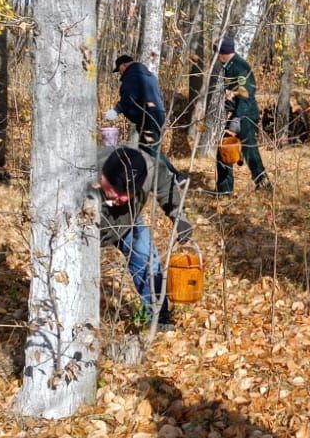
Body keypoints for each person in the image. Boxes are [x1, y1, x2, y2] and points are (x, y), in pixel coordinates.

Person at [111, 54, 193, 244]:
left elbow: (129, 97)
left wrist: (117, 110)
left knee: (150, 151)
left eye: (119, 69)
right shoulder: (147, 74)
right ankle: (173, 176)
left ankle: (176, 177)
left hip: (148, 116)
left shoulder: (133, 74)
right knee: (148, 149)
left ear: (123, 65)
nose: (120, 73)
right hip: (156, 114)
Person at [97, 145, 176, 330]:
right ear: (103, 177)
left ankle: (158, 318)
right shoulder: (83, 172)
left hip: (128, 222)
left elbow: (165, 181)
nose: (122, 198)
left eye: (127, 193)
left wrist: (178, 216)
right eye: (117, 191)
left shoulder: (146, 169)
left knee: (147, 260)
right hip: (87, 230)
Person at [213, 37, 271, 193]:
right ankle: (224, 189)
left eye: (217, 52)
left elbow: (246, 96)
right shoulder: (229, 65)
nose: (216, 56)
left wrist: (235, 123)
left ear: (223, 53)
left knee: (250, 152)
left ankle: (264, 185)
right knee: (224, 150)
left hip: (244, 116)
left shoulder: (240, 67)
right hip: (236, 115)